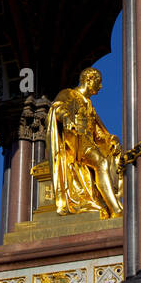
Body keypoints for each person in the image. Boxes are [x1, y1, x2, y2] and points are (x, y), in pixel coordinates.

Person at [46, 68, 122, 218]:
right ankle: (115, 209)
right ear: (89, 80)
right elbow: (58, 107)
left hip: (88, 143)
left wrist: (110, 140)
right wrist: (66, 117)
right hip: (75, 141)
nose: (100, 87)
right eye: (98, 83)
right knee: (101, 162)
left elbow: (98, 133)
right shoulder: (69, 94)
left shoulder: (89, 105)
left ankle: (110, 201)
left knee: (114, 159)